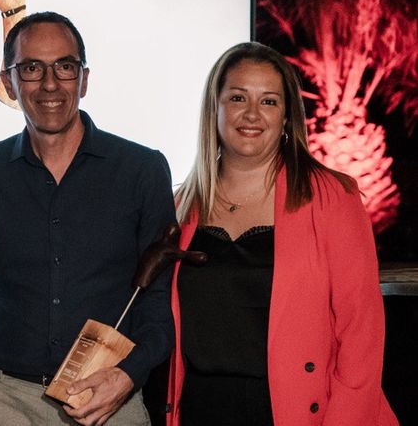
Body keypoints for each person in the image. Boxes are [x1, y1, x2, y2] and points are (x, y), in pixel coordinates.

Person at [0, 9, 176, 425]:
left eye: (64, 67)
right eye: (31, 68)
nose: (49, 84)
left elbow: (158, 301)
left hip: (106, 399)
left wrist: (127, 376)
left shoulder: (141, 169)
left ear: (84, 79)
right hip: (3, 401)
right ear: (8, 82)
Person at [167, 42, 398, 425]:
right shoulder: (181, 205)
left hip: (303, 413)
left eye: (269, 101)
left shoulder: (332, 197)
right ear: (214, 108)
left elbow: (362, 333)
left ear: (288, 116)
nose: (252, 114)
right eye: (237, 97)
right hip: (200, 409)